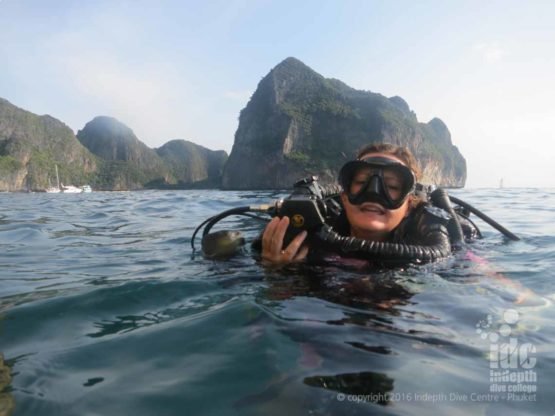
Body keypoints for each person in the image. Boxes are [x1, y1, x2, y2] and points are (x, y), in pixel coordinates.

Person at [261, 142, 444, 264]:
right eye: (361, 183)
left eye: (391, 186)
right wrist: (277, 273)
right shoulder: (311, 240)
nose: (373, 193)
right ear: (344, 197)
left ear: (408, 206)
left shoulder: (429, 247)